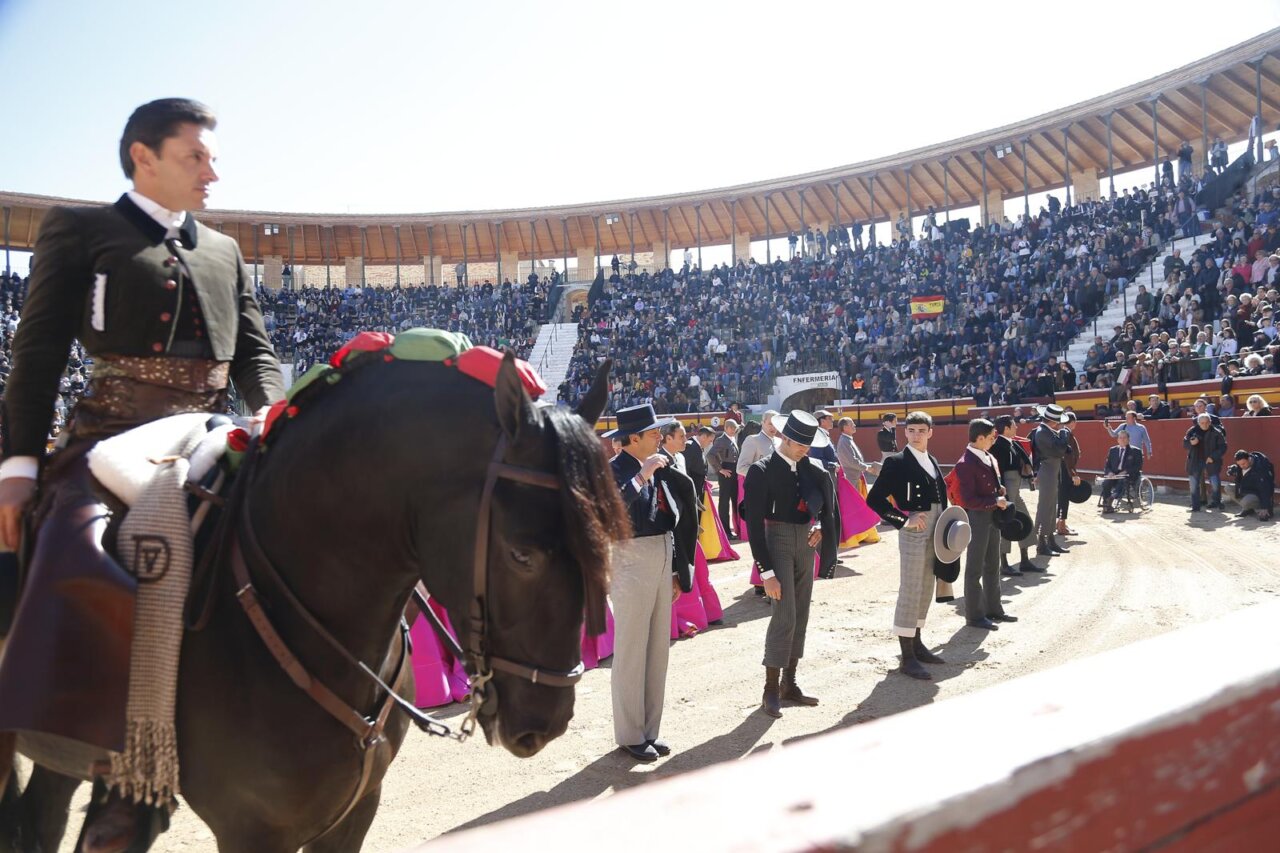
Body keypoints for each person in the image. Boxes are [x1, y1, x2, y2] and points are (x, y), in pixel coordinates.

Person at [0, 98, 286, 850]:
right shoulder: (80, 230)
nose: (212, 172)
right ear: (142, 157)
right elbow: (35, 357)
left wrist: (277, 416)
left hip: (212, 432)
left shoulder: (223, 250)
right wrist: (18, 468)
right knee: (65, 540)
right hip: (109, 438)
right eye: (196, 156)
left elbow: (255, 353)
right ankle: (44, 720)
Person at [607, 404, 695, 762]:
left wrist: (674, 569)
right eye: (653, 432)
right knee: (631, 650)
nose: (660, 436)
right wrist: (641, 476)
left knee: (657, 648)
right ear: (633, 438)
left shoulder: (657, 466)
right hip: (629, 557)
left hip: (660, 553)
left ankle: (649, 730)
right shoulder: (615, 472)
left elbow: (667, 518)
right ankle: (630, 733)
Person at [743, 411, 837, 717]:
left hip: (805, 542)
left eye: (809, 445)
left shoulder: (812, 468)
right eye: (800, 443)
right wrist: (765, 572)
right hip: (776, 540)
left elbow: (826, 506)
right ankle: (770, 689)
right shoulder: (762, 469)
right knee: (784, 614)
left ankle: (789, 683)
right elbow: (754, 525)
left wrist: (821, 526)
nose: (805, 449)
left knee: (802, 613)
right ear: (784, 437)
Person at [866, 411, 951, 680]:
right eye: (911, 430)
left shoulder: (932, 460)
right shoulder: (897, 461)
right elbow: (874, 499)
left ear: (931, 432)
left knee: (926, 586)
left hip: (935, 527)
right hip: (915, 531)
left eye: (921, 430)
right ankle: (907, 655)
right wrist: (903, 520)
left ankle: (917, 643)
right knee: (911, 587)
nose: (916, 435)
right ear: (905, 433)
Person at [953, 419, 1012, 631]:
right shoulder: (965, 463)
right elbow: (968, 500)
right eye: (990, 437)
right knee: (975, 568)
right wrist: (994, 501)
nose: (993, 440)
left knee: (992, 563)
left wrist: (1000, 489)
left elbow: (991, 483)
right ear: (979, 438)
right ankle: (974, 615)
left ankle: (994, 609)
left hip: (992, 516)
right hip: (978, 518)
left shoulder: (987, 456)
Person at [990, 415, 1037, 574]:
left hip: (1015, 487)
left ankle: (1024, 560)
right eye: (1014, 425)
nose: (1017, 427)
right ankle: (1004, 564)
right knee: (1006, 522)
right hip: (1007, 487)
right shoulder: (997, 446)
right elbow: (998, 473)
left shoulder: (1012, 443)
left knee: (1024, 519)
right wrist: (1002, 493)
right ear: (1007, 428)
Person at [1030, 404, 1072, 557]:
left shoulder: (1045, 431)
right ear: (1053, 421)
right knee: (1045, 506)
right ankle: (1041, 543)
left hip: (1051, 469)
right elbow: (1061, 449)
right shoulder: (1043, 432)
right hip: (1047, 469)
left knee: (1051, 506)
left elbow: (1064, 449)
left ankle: (1050, 540)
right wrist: (1064, 434)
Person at [1184, 413, 1226, 512]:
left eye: (1206, 422)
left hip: (1211, 460)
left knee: (1215, 481)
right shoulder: (1192, 431)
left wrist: (1213, 457)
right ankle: (1195, 506)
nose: (1204, 425)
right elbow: (1185, 444)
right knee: (1194, 484)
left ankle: (1216, 502)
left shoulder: (1216, 432)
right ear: (1198, 423)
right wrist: (1191, 443)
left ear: (1210, 422)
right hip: (1195, 460)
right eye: (1202, 423)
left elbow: (1223, 447)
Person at [705, 418, 740, 539]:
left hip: (734, 471)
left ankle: (737, 528)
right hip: (726, 471)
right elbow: (710, 455)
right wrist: (720, 469)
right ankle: (725, 531)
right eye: (730, 428)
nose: (733, 430)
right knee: (724, 502)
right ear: (725, 428)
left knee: (736, 500)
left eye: (734, 428)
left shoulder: (733, 439)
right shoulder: (721, 440)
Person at [1100, 430, 1144, 513]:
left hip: (1128, 475)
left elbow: (1138, 466)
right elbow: (1107, 465)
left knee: (1122, 481)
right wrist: (1109, 472)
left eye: (1124, 438)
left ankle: (1112, 498)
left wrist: (1126, 471)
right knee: (1106, 482)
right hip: (1114, 475)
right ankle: (1106, 502)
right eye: (1120, 438)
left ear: (1128, 439)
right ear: (1117, 439)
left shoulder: (1136, 451)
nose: (1122, 439)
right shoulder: (1113, 450)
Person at [1056, 412, 1083, 538]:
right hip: (1065, 470)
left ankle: (1060, 523)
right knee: (1064, 496)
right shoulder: (1066, 433)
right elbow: (1067, 456)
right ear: (1073, 422)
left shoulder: (1062, 432)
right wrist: (1073, 473)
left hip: (1061, 469)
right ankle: (1061, 525)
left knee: (1062, 496)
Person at [1230, 449, 1274, 520]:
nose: (1241, 466)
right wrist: (1235, 472)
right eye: (1239, 464)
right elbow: (1239, 481)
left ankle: (1260, 509)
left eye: (1243, 464)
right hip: (1248, 489)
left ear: (1249, 459)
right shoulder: (1241, 465)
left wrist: (1265, 507)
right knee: (1228, 488)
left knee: (1245, 502)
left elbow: (1266, 488)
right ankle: (1248, 509)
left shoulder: (1261, 466)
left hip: (1258, 493)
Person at [835, 417, 880, 483]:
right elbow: (851, 461)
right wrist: (867, 468)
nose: (854, 425)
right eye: (851, 424)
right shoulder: (844, 441)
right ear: (845, 427)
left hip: (854, 478)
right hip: (851, 479)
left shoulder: (847, 440)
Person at [683, 425, 714, 499]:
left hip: (698, 488)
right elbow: (686, 470)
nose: (710, 443)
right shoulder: (690, 446)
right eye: (710, 441)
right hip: (692, 490)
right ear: (703, 437)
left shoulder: (697, 446)